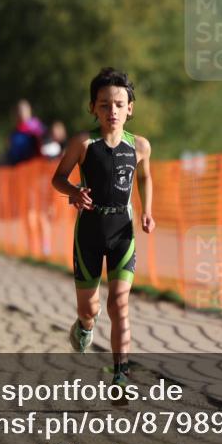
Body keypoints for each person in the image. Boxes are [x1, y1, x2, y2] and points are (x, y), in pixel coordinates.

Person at [51, 67, 155, 391]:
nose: (113, 111)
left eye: (119, 104)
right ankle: (83, 327)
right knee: (90, 309)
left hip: (122, 231)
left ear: (130, 109)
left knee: (119, 302)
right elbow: (58, 178)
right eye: (105, 104)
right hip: (89, 234)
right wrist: (74, 193)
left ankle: (121, 374)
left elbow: (144, 177)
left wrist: (147, 211)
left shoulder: (139, 146)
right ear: (93, 108)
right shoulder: (84, 143)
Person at [7, 100, 45, 165]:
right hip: (19, 168)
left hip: (37, 167)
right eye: (18, 111)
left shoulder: (38, 129)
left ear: (29, 111)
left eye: (23, 110)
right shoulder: (14, 134)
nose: (21, 114)